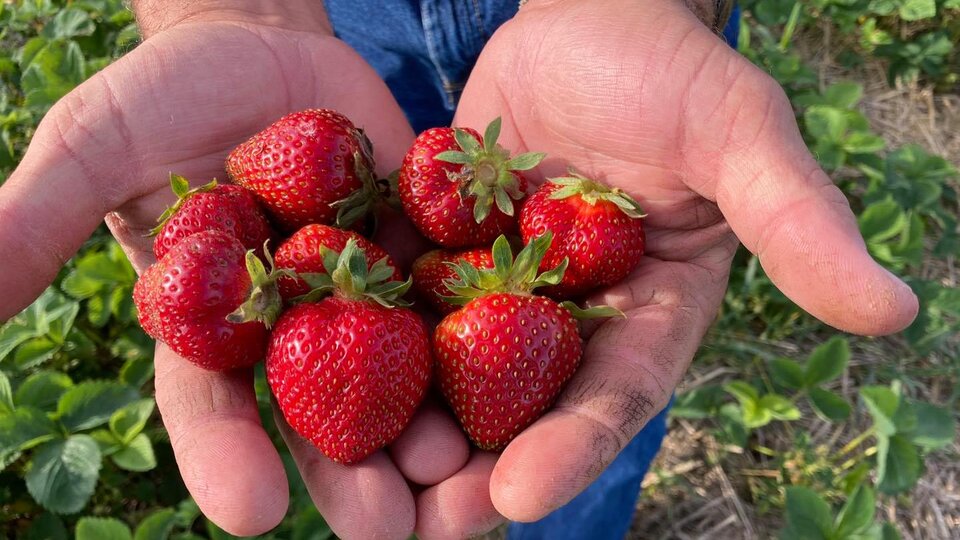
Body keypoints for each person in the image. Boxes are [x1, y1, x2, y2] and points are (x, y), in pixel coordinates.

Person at [0, 1, 918, 538]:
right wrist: (230, 15)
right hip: (329, 34)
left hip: (592, 60)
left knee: (570, 454)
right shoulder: (316, 226)